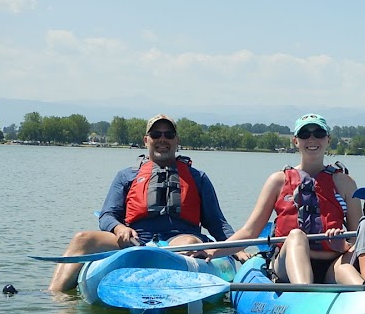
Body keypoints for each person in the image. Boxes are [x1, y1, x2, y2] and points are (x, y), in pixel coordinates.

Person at [48, 114, 234, 292]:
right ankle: (55, 297)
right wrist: (119, 228)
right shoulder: (126, 176)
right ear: (146, 140)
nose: (162, 139)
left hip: (179, 240)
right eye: (156, 134)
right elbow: (107, 216)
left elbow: (217, 223)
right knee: (82, 238)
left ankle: (167, 291)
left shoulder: (198, 178)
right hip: (136, 241)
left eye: (168, 135)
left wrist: (238, 250)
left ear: (177, 141)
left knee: (189, 242)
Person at [207, 113, 362, 284]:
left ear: (328, 140)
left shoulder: (345, 183)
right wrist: (214, 251)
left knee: (347, 269)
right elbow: (250, 232)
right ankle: (304, 293)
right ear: (296, 141)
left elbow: (359, 238)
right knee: (296, 235)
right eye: (304, 134)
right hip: (287, 262)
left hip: (333, 262)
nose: (312, 139)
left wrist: (344, 246)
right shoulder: (278, 181)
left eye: (319, 134)